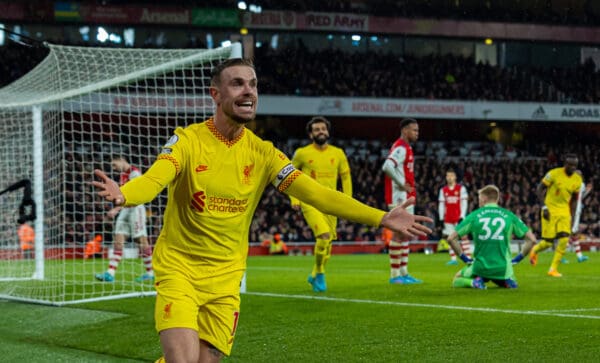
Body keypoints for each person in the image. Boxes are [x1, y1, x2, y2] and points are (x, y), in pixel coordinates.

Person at [91, 58, 432, 363]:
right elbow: (155, 179)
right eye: (237, 83)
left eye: (253, 84)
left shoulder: (265, 154)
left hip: (227, 279)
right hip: (181, 270)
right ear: (215, 94)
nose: (248, 91)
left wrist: (381, 216)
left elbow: (316, 193)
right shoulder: (188, 140)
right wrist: (125, 194)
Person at [290, 116, 352, 292]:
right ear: (311, 134)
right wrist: (294, 199)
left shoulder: (338, 153)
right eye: (317, 129)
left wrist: (348, 200)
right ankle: (320, 273)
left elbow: (346, 177)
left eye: (323, 129)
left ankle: (315, 274)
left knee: (329, 243)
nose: (321, 132)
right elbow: (289, 176)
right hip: (310, 201)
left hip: (332, 202)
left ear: (328, 131)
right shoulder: (302, 153)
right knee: (323, 235)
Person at [447, 185, 537, 289]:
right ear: (497, 199)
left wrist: (465, 259)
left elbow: (451, 238)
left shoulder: (474, 215)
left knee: (456, 279)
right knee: (505, 274)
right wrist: (517, 259)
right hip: (503, 268)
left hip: (480, 267)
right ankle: (506, 281)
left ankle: (475, 283)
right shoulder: (509, 215)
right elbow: (532, 240)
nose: (479, 202)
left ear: (484, 199)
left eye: (479, 199)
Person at [95, 156, 154, 283]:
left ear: (121, 160)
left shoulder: (134, 173)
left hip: (136, 209)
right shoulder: (123, 175)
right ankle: (110, 273)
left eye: (114, 164)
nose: (114, 168)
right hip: (125, 210)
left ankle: (150, 272)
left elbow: (138, 195)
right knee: (118, 240)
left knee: (141, 240)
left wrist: (116, 209)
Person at [381, 118, 422, 284]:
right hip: (399, 198)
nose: (417, 133)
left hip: (405, 198)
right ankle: (395, 275)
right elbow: (387, 166)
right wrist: (401, 183)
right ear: (405, 130)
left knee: (405, 233)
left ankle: (404, 272)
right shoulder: (401, 147)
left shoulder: (406, 147)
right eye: (414, 130)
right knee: (399, 233)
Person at [529, 154, 582, 277]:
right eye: (571, 165)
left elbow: (574, 200)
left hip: (564, 211)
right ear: (565, 164)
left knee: (564, 239)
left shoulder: (577, 179)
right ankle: (535, 250)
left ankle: (553, 269)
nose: (573, 168)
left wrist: (572, 217)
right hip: (550, 209)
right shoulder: (553, 173)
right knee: (548, 242)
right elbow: (539, 188)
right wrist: (544, 207)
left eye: (575, 165)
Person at [438, 169, 470, 265]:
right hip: (448, 218)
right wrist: (441, 218)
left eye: (451, 175)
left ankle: (468, 257)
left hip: (458, 217)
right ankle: (453, 259)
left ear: (455, 177)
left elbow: (464, 203)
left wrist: (462, 216)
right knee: (450, 238)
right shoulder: (443, 190)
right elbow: (441, 205)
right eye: (448, 176)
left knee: (464, 237)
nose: (449, 177)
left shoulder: (461, 189)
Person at [562, 169, 592, 263]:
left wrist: (587, 191)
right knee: (571, 233)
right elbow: (577, 198)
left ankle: (579, 256)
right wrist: (587, 191)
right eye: (578, 174)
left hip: (575, 211)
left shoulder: (574, 184)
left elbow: (579, 198)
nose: (580, 176)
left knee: (574, 233)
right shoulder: (579, 184)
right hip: (573, 212)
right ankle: (560, 255)